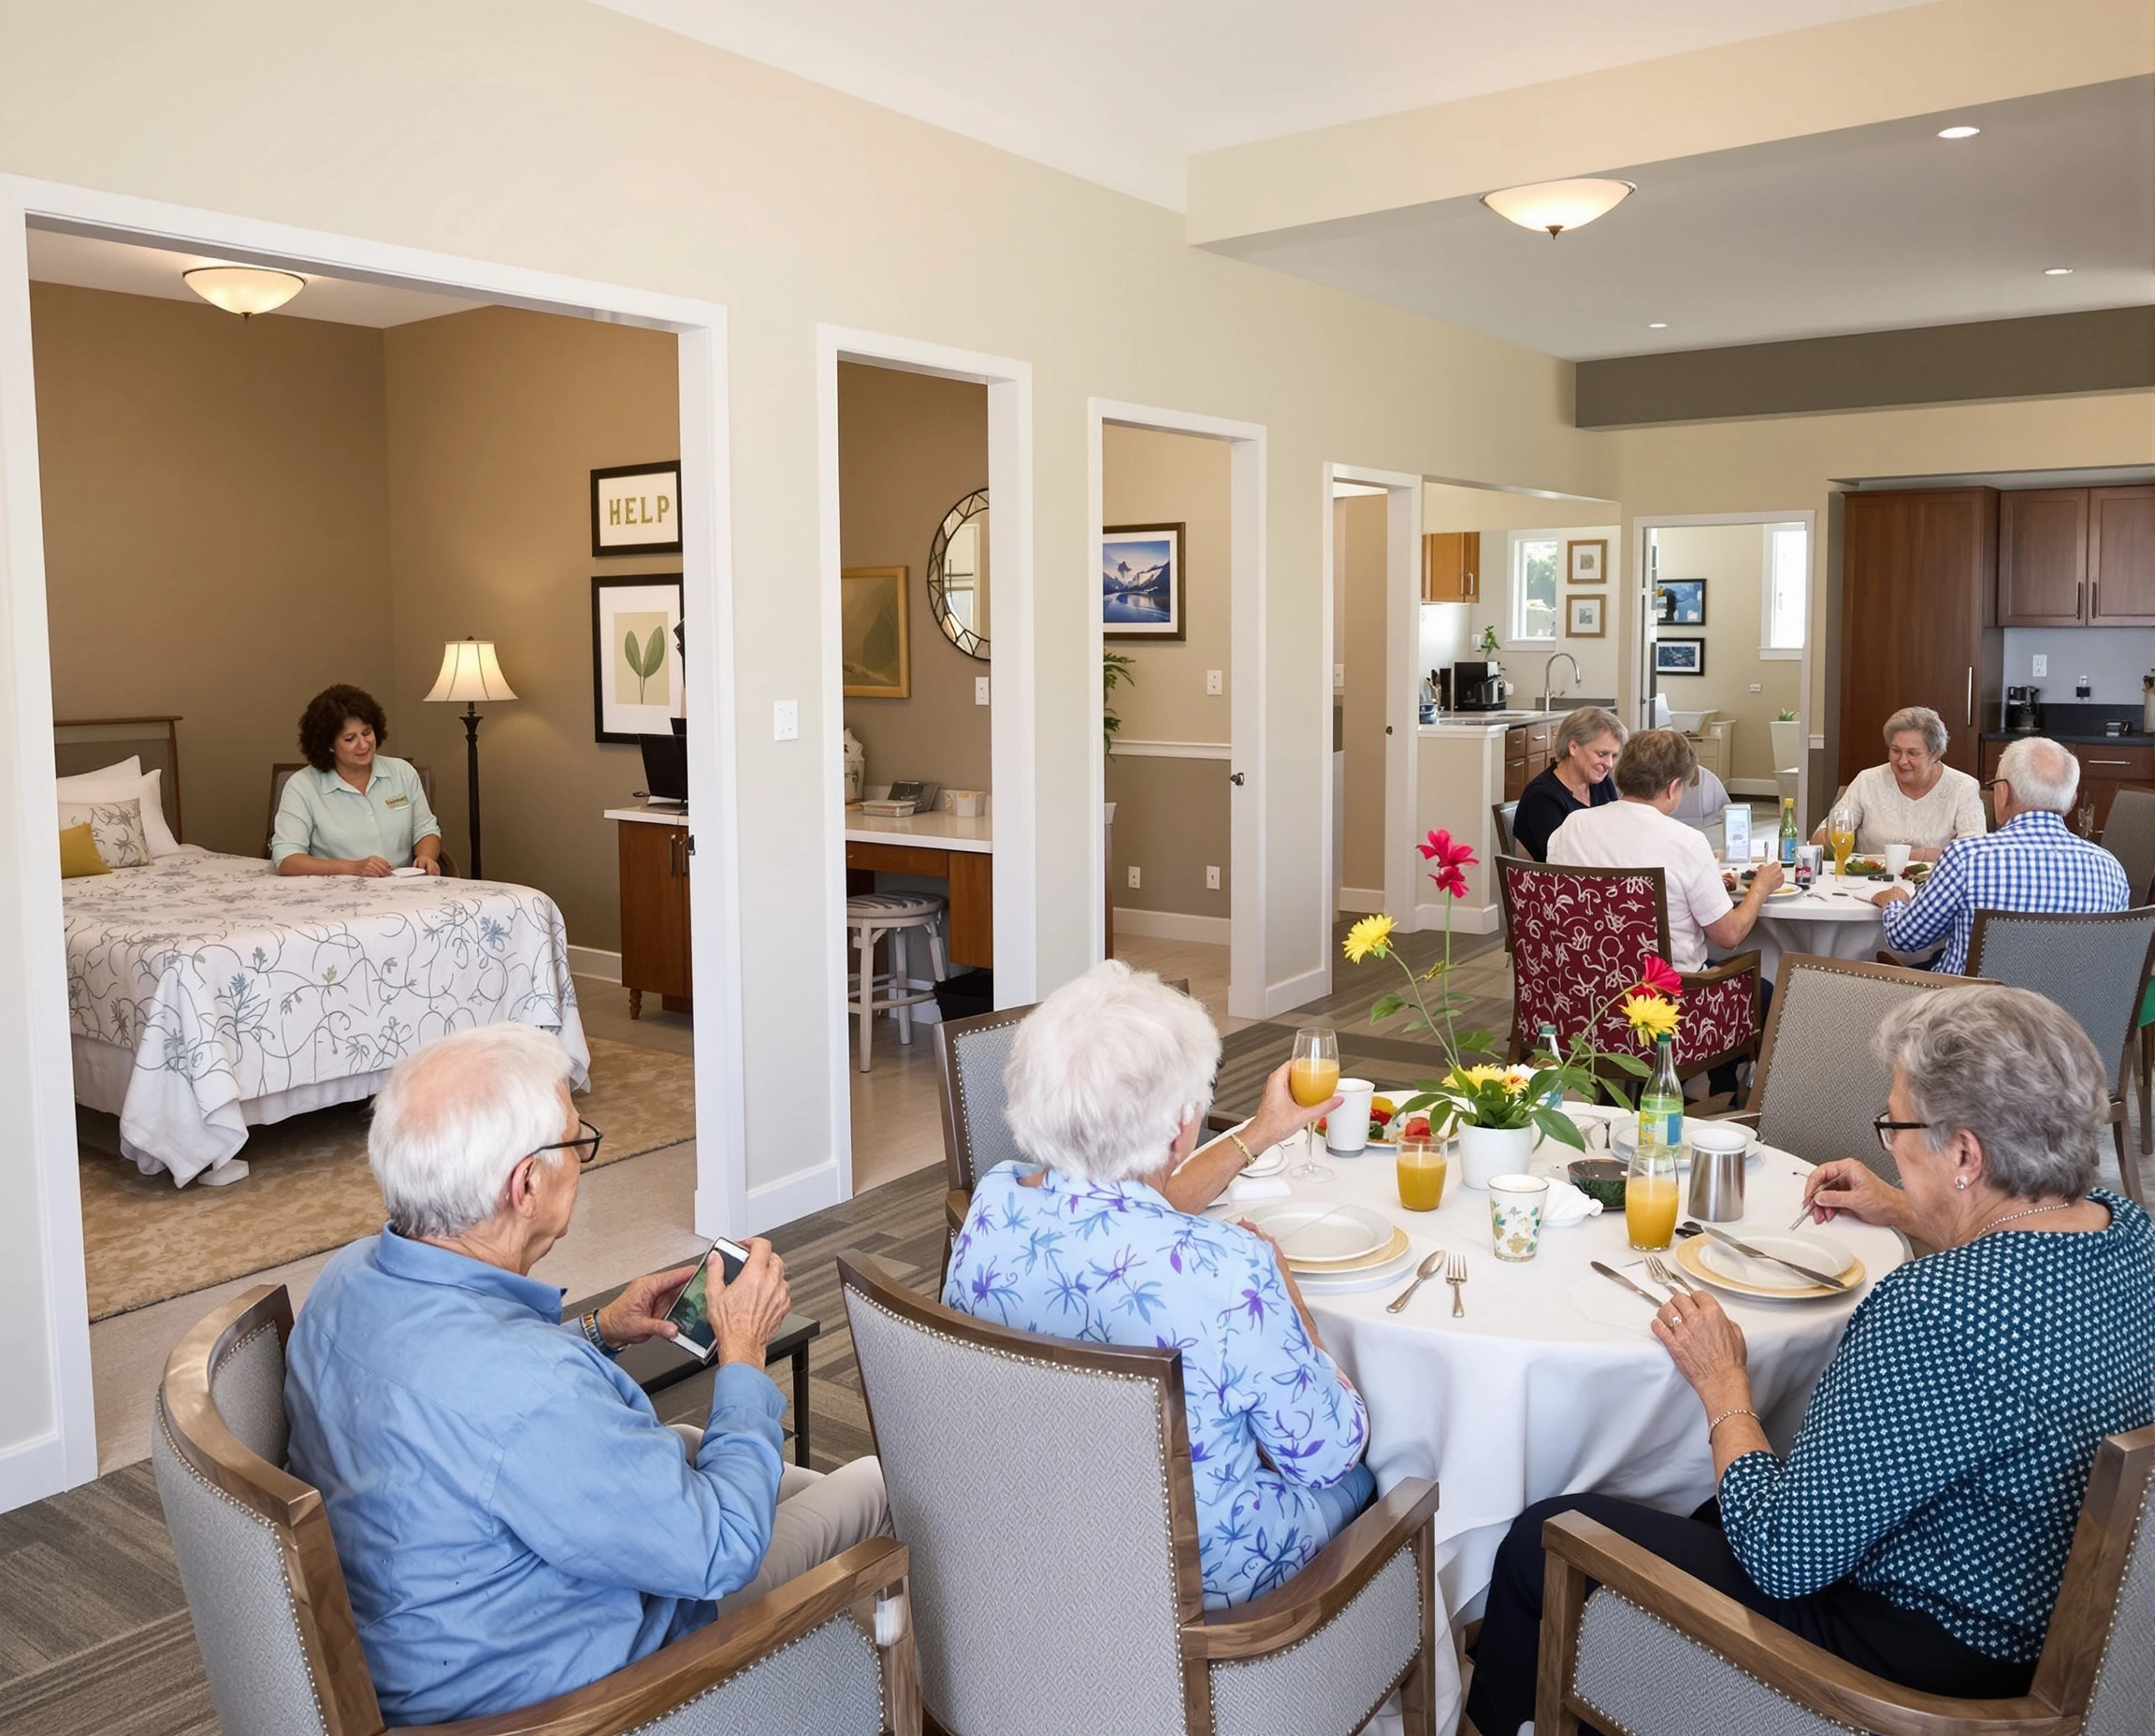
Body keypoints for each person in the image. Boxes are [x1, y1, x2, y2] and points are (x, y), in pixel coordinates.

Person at [1462, 985, 2153, 1736]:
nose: (1889, 1139)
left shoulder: (1934, 1309)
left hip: (1912, 1674)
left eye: (1896, 1124)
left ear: (1964, 1153)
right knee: (1691, 1503)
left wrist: (1725, 1386)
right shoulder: (2131, 1233)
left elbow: (1781, 1555)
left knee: (1546, 1534)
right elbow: (2014, 1249)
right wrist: (1906, 1207)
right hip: (2050, 1623)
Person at [284, 1024, 889, 1725]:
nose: (585, 1158)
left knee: (696, 1438)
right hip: (564, 1696)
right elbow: (719, 1554)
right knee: (883, 1484)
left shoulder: (344, 1281)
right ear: (527, 1184)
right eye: (577, 1143)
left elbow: (470, 1402)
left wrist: (598, 1332)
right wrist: (744, 1355)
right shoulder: (533, 1392)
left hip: (426, 1629)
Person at [943, 961, 1374, 1610]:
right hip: (1195, 1587)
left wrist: (1259, 1133)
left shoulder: (995, 1204)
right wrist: (1292, 1308)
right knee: (1376, 1473)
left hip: (1028, 1542)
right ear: (1182, 1127)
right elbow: (1328, 1452)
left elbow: (1133, 1204)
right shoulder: (1232, 1273)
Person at [1872, 735, 2128, 975]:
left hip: (1968, 1017)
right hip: (2069, 1019)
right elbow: (2112, 961)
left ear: (2004, 792)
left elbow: (1905, 938)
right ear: (2071, 801)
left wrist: (1895, 901)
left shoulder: (1967, 857)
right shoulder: (2110, 869)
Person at [1546, 728, 1785, 974]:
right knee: (1771, 990)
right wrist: (1761, 888)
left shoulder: (1572, 827)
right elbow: (1729, 935)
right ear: (1672, 788)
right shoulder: (1686, 842)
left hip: (1582, 985)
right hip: (1667, 995)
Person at [272, 683, 444, 876]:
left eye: (367, 732)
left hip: (403, 889)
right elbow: (287, 860)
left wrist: (426, 857)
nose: (363, 744)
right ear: (329, 745)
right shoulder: (302, 786)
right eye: (350, 738)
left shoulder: (402, 772)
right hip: (336, 895)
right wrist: (351, 868)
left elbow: (426, 831)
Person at [1814, 705, 1986, 861]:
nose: (1902, 761)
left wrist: (1922, 856)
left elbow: (1974, 849)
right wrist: (1825, 839)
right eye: (1896, 751)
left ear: (1935, 754)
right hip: (1868, 880)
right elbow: (1832, 829)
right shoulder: (1867, 780)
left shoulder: (1963, 787)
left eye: (1913, 753)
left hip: (1933, 883)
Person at [1510, 706, 1625, 861]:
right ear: (1573, 747)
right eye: (1602, 754)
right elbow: (1563, 860)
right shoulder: (1541, 797)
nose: (1609, 764)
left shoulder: (1602, 785)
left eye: (1614, 756)